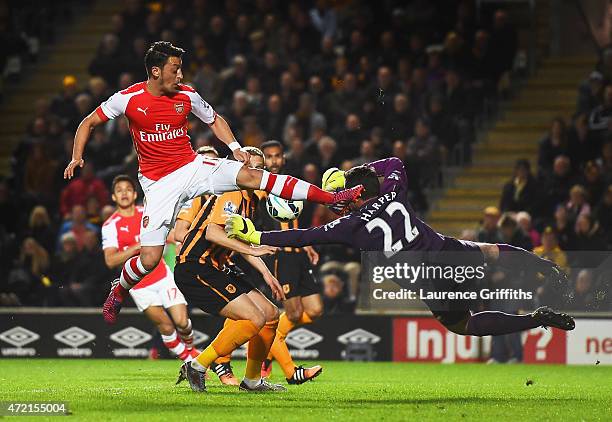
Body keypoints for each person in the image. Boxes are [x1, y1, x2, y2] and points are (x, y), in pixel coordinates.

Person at [62, 41, 363, 324]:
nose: (179, 74)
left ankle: (331, 198)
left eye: (180, 68)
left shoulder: (187, 95)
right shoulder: (128, 100)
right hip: (158, 184)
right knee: (150, 259)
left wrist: (235, 148)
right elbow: (88, 121)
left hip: (193, 166)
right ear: (155, 71)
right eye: (174, 68)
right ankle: (120, 289)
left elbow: (214, 119)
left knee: (253, 176)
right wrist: (77, 157)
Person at [226, 157, 576, 337]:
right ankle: (545, 267)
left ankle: (533, 320)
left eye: (345, 197)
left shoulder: (350, 226)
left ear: (355, 195)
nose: (340, 202)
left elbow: (302, 237)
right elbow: (394, 163)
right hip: (446, 251)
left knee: (461, 325)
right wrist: (358, 174)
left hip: (429, 279)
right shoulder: (394, 191)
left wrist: (256, 236)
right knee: (490, 251)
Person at [173, 148, 285, 393]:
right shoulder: (231, 191)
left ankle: (252, 380)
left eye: (260, 168)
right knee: (254, 318)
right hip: (195, 266)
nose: (256, 172)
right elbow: (214, 232)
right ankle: (198, 365)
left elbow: (241, 242)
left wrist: (266, 274)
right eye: (251, 167)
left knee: (270, 314)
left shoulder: (251, 201)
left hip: (218, 266)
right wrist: (255, 252)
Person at [102, 175, 198, 363]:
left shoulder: (146, 213)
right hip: (139, 286)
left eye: (128, 189)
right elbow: (110, 260)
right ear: (113, 197)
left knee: (182, 322)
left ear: (134, 193)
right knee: (166, 326)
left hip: (163, 277)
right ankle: (190, 362)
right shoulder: (110, 226)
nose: (124, 193)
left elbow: (168, 234)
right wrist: (137, 247)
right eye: (119, 190)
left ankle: (191, 348)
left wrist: (180, 241)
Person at [258, 140, 323, 385]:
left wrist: (306, 244)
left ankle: (271, 345)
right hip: (280, 257)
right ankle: (276, 355)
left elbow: (295, 222)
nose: (274, 161)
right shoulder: (259, 188)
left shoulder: (289, 185)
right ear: (263, 160)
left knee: (315, 310)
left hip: (298, 254)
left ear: (283, 159)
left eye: (277, 156)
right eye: (269, 157)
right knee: (293, 312)